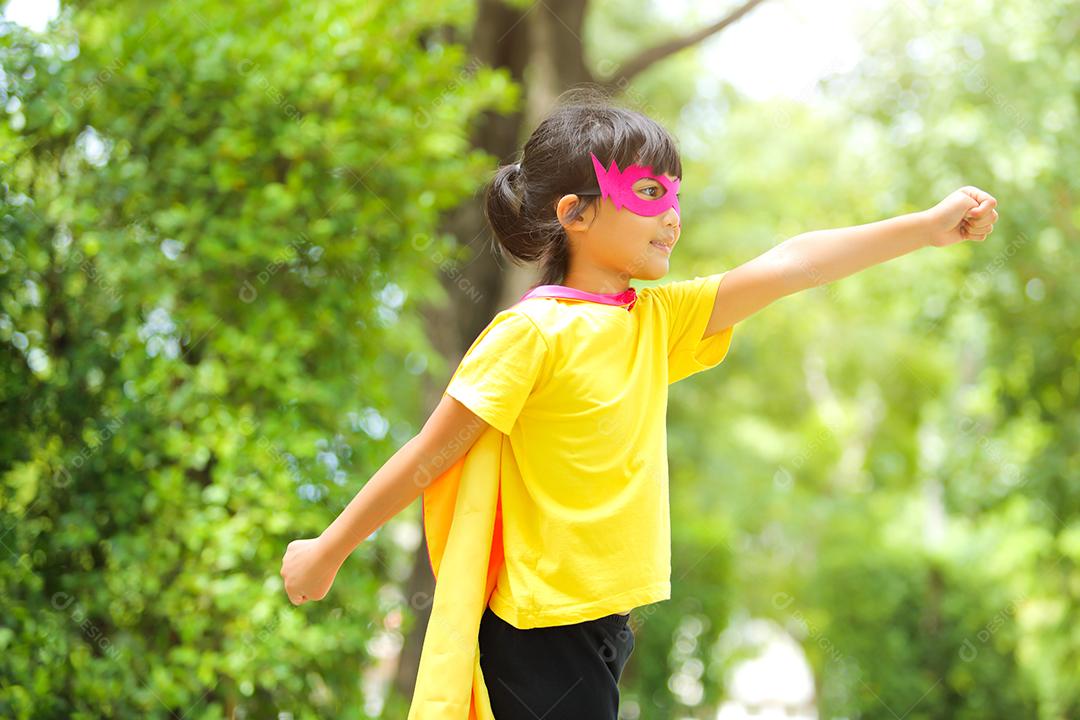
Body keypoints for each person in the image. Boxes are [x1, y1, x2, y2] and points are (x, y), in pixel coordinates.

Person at [280, 89, 999, 719]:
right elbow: (429, 454)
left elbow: (791, 264)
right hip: (539, 632)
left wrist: (924, 229)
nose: (673, 215)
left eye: (675, 195)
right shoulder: (530, 333)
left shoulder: (654, 320)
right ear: (575, 213)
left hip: (603, 625)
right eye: (650, 193)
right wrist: (327, 550)